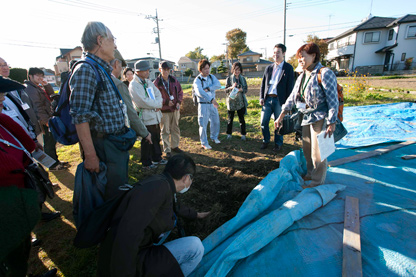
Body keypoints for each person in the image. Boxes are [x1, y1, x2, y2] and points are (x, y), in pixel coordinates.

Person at [97, 154, 208, 277]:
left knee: (172, 223)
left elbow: (176, 206)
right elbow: (128, 234)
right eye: (192, 179)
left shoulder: (162, 183)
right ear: (187, 178)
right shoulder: (156, 192)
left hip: (132, 250)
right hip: (125, 262)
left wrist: (196, 215)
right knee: (195, 247)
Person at [0, 77, 57, 277]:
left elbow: (12, 127)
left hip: (18, 193)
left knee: (21, 245)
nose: (3, 98)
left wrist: (31, 145)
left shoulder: (2, 118)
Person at [69, 21, 131, 200]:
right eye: (112, 39)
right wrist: (90, 155)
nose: (116, 45)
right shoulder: (85, 70)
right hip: (103, 147)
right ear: (100, 40)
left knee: (119, 188)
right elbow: (80, 117)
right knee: (111, 193)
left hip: (114, 143)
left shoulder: (100, 69)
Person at [275, 43, 339, 187]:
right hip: (306, 116)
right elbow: (292, 97)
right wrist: (281, 115)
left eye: (303, 56)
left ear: (313, 56)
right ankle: (310, 173)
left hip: (320, 117)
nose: (300, 60)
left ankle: (317, 181)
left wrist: (331, 121)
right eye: (299, 57)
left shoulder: (325, 73)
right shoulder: (302, 75)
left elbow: (333, 100)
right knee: (307, 149)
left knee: (319, 153)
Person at [24, 67, 66, 170]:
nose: (40, 78)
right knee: (48, 142)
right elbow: (37, 107)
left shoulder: (37, 87)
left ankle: (55, 161)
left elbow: (52, 96)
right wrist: (46, 121)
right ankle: (52, 165)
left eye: (41, 75)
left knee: (51, 140)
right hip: (43, 121)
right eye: (37, 75)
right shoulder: (30, 89)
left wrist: (46, 85)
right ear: (30, 76)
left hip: (47, 118)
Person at [129, 60, 166, 169]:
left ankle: (157, 157)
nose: (147, 72)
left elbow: (157, 93)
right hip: (145, 115)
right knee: (147, 138)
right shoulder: (134, 84)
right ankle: (146, 161)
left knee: (156, 137)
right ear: (138, 71)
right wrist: (157, 104)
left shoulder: (148, 81)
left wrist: (159, 103)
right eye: (144, 70)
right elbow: (142, 101)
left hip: (155, 114)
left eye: (148, 70)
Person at [110, 50, 152, 145]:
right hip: (114, 136)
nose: (121, 70)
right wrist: (145, 133)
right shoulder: (118, 84)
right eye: (121, 67)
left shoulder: (98, 77)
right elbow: (130, 111)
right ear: (116, 64)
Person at [259, 43, 294, 151]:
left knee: (279, 123)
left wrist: (287, 104)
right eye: (274, 52)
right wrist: (261, 97)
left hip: (280, 100)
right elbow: (263, 83)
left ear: (283, 53)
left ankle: (278, 143)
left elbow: (290, 86)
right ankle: (266, 140)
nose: (276, 55)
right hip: (268, 98)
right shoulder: (269, 68)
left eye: (278, 52)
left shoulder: (288, 68)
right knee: (263, 122)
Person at [154, 61, 184, 159]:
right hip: (164, 110)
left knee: (175, 128)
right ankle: (167, 150)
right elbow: (154, 97)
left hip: (175, 109)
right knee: (165, 130)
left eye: (168, 70)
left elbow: (180, 92)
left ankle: (175, 146)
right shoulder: (157, 83)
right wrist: (166, 102)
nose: (166, 72)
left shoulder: (174, 80)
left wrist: (179, 102)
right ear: (160, 70)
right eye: (164, 69)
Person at [193, 59, 221, 150]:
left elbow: (218, 85)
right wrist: (211, 99)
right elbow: (200, 92)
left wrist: (209, 88)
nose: (207, 70)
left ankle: (214, 137)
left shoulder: (212, 77)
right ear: (200, 70)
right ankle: (204, 142)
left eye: (208, 68)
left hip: (212, 104)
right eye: (205, 69)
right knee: (203, 123)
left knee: (215, 121)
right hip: (203, 104)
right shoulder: (197, 80)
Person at [225, 62, 248, 141]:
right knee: (230, 119)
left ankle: (243, 134)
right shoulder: (229, 79)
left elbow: (246, 89)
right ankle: (229, 134)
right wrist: (231, 87)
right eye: (235, 69)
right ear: (233, 70)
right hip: (231, 102)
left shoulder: (243, 79)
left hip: (240, 102)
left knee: (241, 119)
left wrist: (242, 90)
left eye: (238, 70)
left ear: (241, 70)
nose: (237, 71)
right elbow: (226, 90)